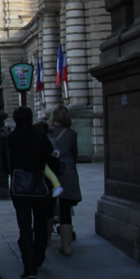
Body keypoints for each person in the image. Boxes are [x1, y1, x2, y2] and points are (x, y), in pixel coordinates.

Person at [5, 106, 60, 279]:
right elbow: (51, 161)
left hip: (20, 189)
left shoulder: (9, 140)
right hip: (39, 187)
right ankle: (39, 256)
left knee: (24, 227)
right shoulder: (40, 138)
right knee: (41, 224)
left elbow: (5, 165)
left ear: (15, 119)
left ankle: (29, 268)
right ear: (30, 119)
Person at [49, 105, 83, 256]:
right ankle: (66, 246)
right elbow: (75, 155)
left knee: (48, 209)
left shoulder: (47, 133)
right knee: (65, 210)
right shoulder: (72, 134)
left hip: (50, 172)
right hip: (67, 171)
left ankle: (46, 240)